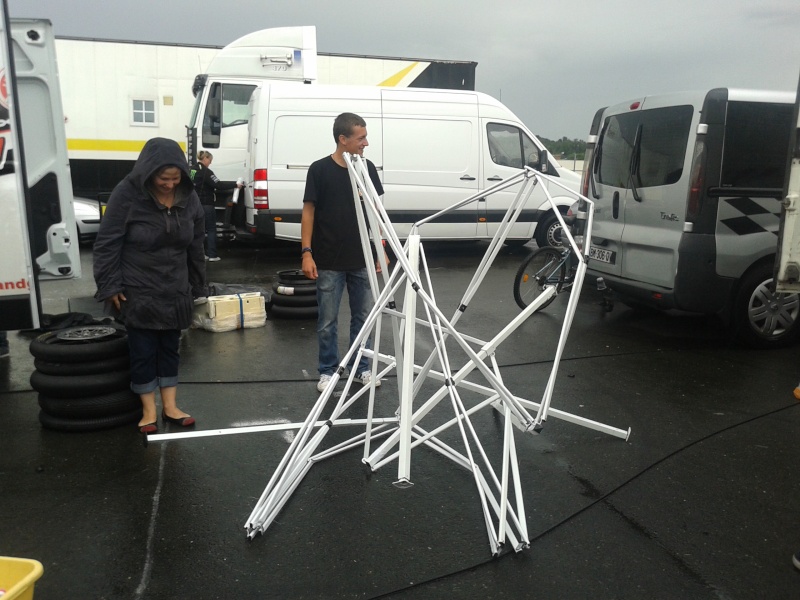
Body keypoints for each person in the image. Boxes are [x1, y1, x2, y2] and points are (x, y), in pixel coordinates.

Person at [93, 138, 207, 433]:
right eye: (163, 178)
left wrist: (199, 285)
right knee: (143, 349)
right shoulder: (126, 195)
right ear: (148, 172)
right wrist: (109, 284)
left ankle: (170, 407)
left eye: (175, 178)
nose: (169, 184)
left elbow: (196, 245)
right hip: (137, 288)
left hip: (175, 288)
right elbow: (107, 244)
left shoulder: (189, 197)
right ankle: (148, 411)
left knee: (170, 347)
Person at [301, 112, 385, 393]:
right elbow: (309, 213)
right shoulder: (319, 170)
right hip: (328, 260)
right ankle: (328, 371)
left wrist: (380, 248)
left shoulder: (367, 169)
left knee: (364, 318)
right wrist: (307, 252)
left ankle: (362, 368)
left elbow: (376, 212)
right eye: (361, 138)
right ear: (343, 139)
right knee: (327, 321)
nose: (366, 143)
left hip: (361, 258)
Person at [190, 150, 243, 262]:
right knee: (211, 229)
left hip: (194, 205)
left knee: (199, 231)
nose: (210, 163)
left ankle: (201, 255)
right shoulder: (207, 172)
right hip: (206, 205)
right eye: (210, 160)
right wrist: (235, 185)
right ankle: (212, 255)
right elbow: (218, 185)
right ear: (205, 158)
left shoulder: (191, 170)